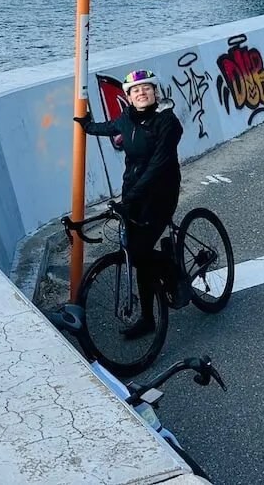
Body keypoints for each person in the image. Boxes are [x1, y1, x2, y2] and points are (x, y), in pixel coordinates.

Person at [75, 69, 183, 340]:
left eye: (147, 88)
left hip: (161, 194)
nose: (141, 93)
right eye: (136, 90)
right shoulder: (127, 119)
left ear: (155, 92)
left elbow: (158, 165)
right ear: (129, 97)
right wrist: (86, 125)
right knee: (136, 255)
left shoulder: (167, 122)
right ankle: (148, 318)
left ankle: (172, 273)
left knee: (140, 250)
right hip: (133, 194)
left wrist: (131, 197)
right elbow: (109, 127)